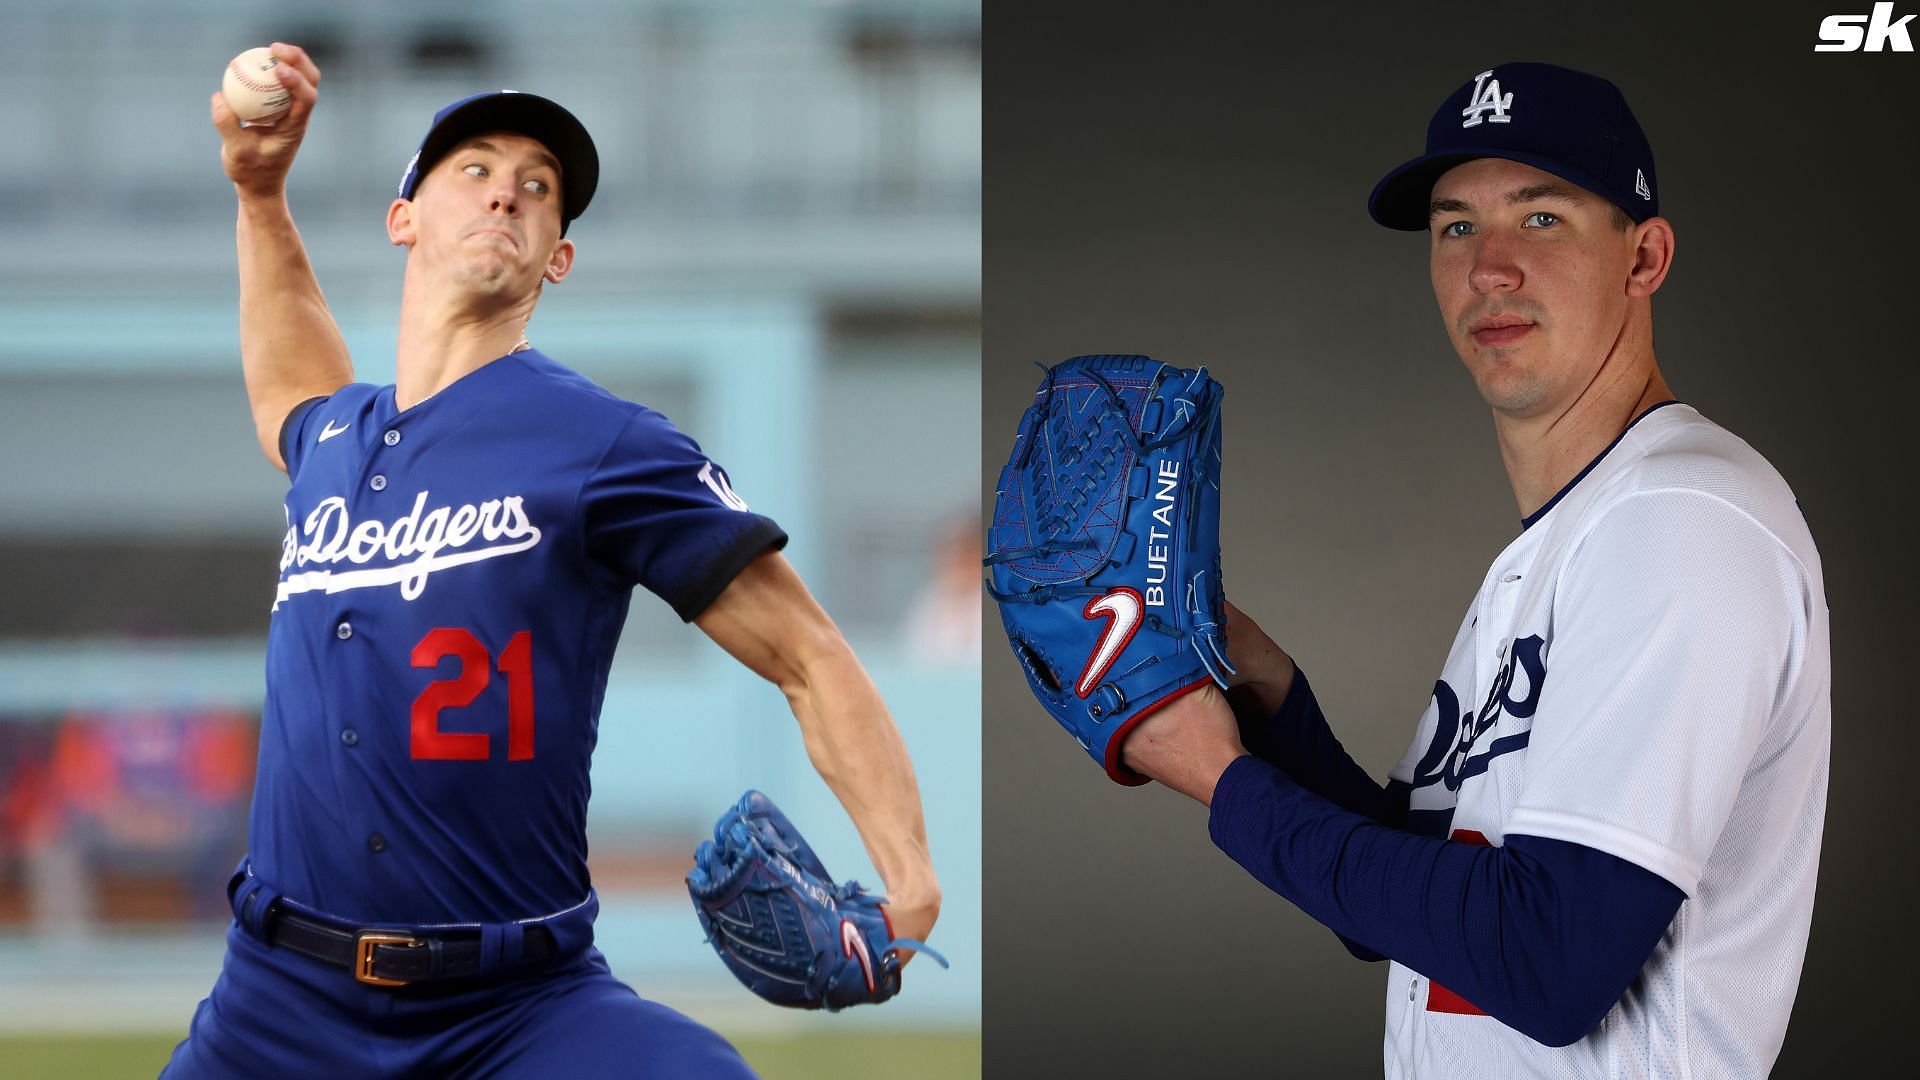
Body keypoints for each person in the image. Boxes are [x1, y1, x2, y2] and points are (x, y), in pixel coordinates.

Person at [167, 43, 941, 1078]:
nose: (509, 196)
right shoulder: (333, 444)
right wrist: (259, 193)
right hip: (279, 1002)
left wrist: (911, 881)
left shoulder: (603, 443)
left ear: (556, 259)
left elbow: (809, 654)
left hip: (516, 1008)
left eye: (539, 189)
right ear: (406, 220)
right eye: (475, 170)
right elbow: (290, 387)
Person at [1119, 63, 1828, 1077]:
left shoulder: (1680, 521)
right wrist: (1252, 678)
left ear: (1645, 256)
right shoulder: (1567, 540)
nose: (1491, 268)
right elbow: (1416, 899)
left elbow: (1546, 962)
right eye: (1457, 228)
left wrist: (1218, 779)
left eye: (1541, 219)